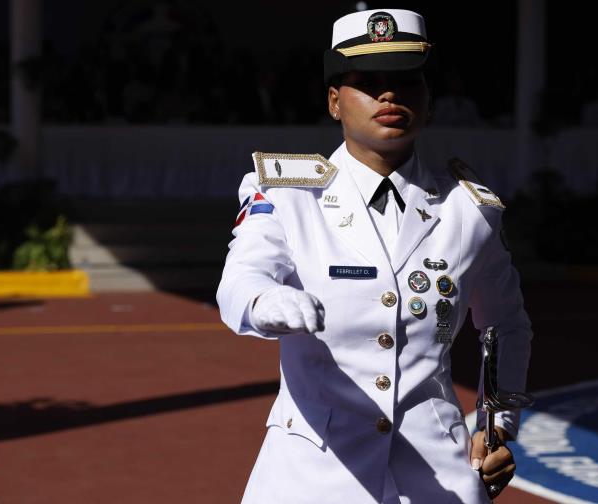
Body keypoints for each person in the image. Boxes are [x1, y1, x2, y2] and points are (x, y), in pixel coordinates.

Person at [217, 9, 532, 503]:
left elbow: (505, 325)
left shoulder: (470, 211)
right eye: (368, 83)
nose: (390, 96)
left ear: (428, 101)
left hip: (437, 473)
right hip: (311, 474)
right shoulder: (287, 193)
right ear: (334, 101)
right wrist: (265, 302)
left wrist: (496, 425)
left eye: (407, 81)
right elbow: (240, 281)